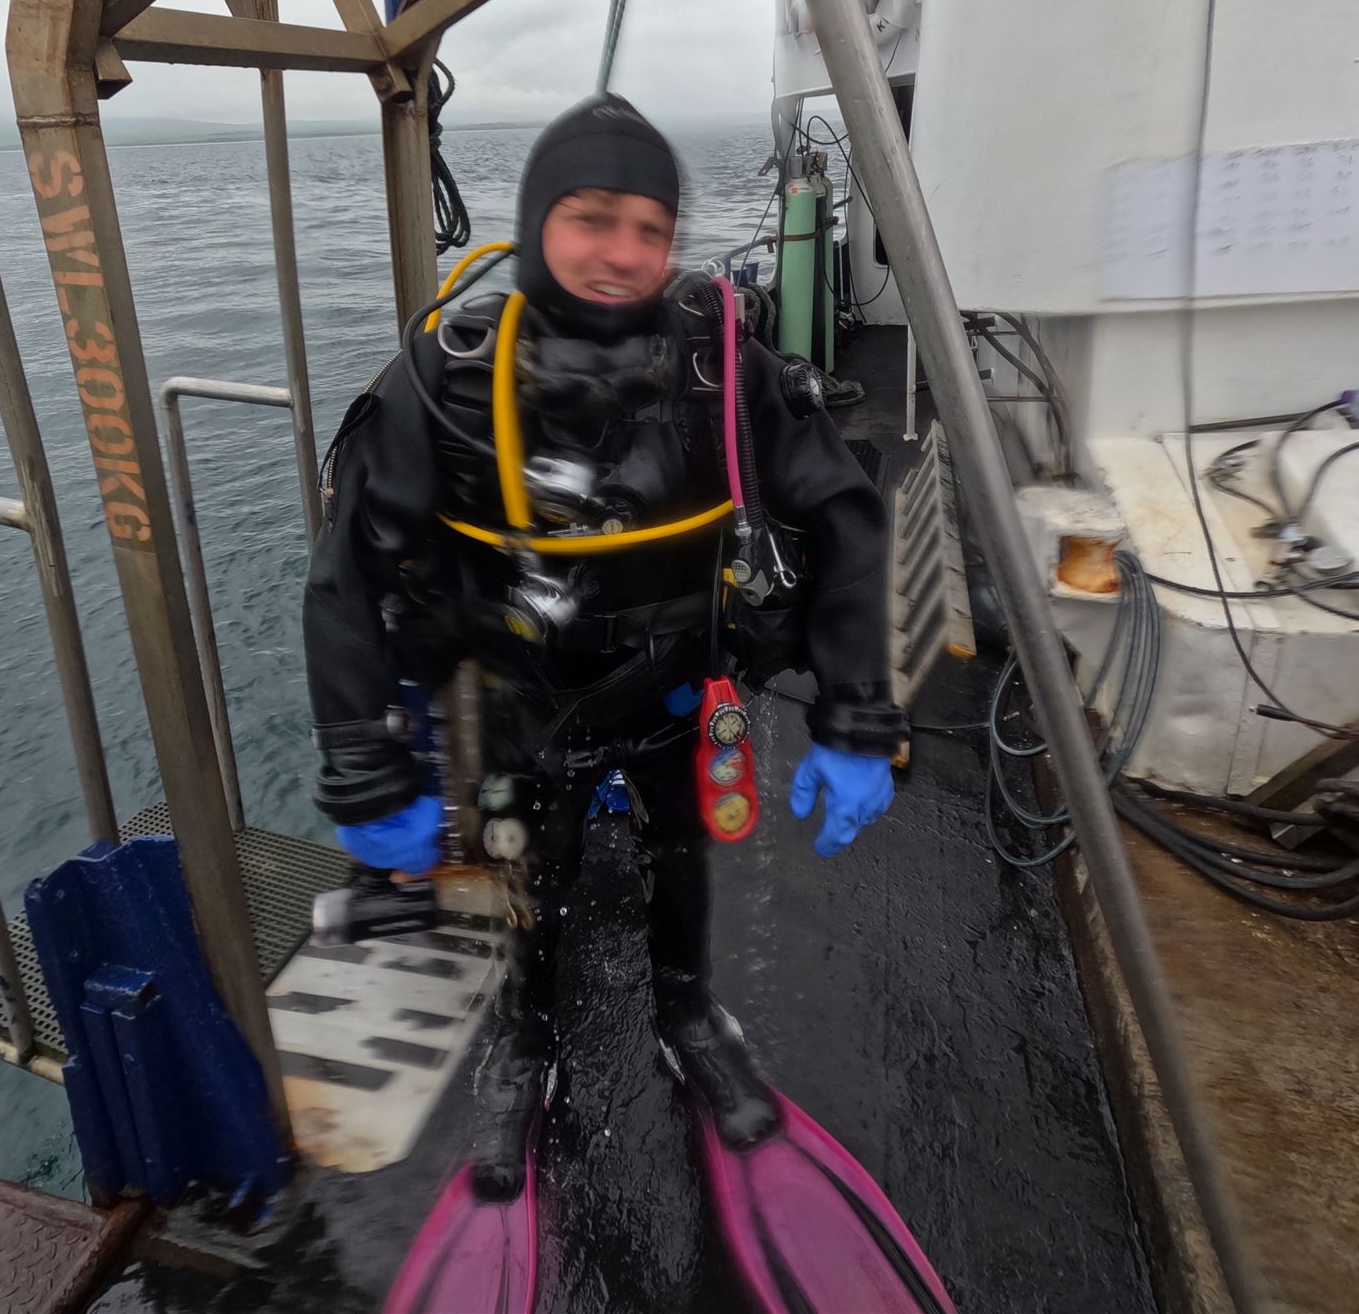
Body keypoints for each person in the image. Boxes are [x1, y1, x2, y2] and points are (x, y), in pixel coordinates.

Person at [305, 96, 913, 1282]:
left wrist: (856, 712)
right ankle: (523, 1044)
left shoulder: (718, 364)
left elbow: (845, 513)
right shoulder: (449, 374)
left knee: (683, 861)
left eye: (650, 227)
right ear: (538, 220)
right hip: (521, 709)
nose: (623, 252)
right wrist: (366, 763)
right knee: (528, 876)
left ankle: (688, 1016)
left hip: (677, 694)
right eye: (591, 219)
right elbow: (348, 573)